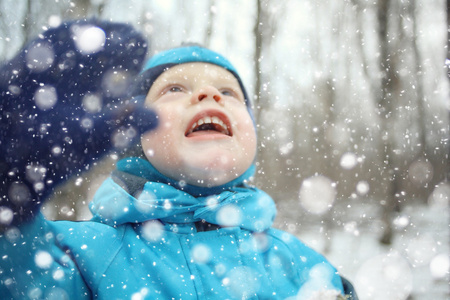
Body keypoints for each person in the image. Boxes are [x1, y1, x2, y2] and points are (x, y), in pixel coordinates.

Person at [0, 21, 357, 300]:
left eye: (229, 92)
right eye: (174, 89)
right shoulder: (81, 254)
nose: (209, 93)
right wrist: (9, 204)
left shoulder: (301, 265)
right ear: (132, 135)